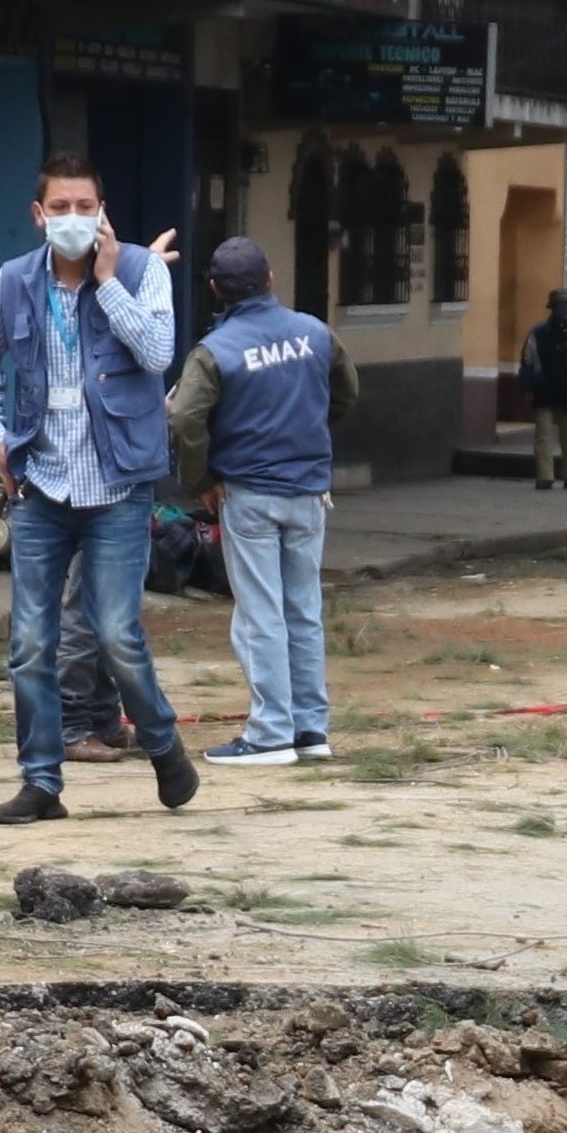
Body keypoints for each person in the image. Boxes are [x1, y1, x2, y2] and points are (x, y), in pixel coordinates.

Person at [0, 160, 197, 826]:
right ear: (39, 215)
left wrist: (105, 283)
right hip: (41, 485)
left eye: (84, 204)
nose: (72, 216)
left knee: (116, 631)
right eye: (59, 205)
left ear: (102, 210)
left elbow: (157, 355)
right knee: (31, 643)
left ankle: (160, 742)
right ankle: (41, 783)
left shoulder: (140, 273)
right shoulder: (13, 282)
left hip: (117, 484)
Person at [168, 234, 352, 768]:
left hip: (248, 493)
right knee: (304, 609)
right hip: (309, 492)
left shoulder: (215, 351)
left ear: (214, 290)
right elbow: (347, 392)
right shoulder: (315, 333)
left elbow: (184, 417)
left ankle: (270, 732)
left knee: (261, 613)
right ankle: (310, 730)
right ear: (270, 280)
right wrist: (307, 432)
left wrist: (201, 477)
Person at [520, 285, 567, 487]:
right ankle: (545, 476)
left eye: (566, 305)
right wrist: (527, 387)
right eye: (559, 305)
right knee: (543, 436)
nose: (563, 309)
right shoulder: (538, 334)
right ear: (551, 308)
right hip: (543, 392)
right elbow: (528, 361)